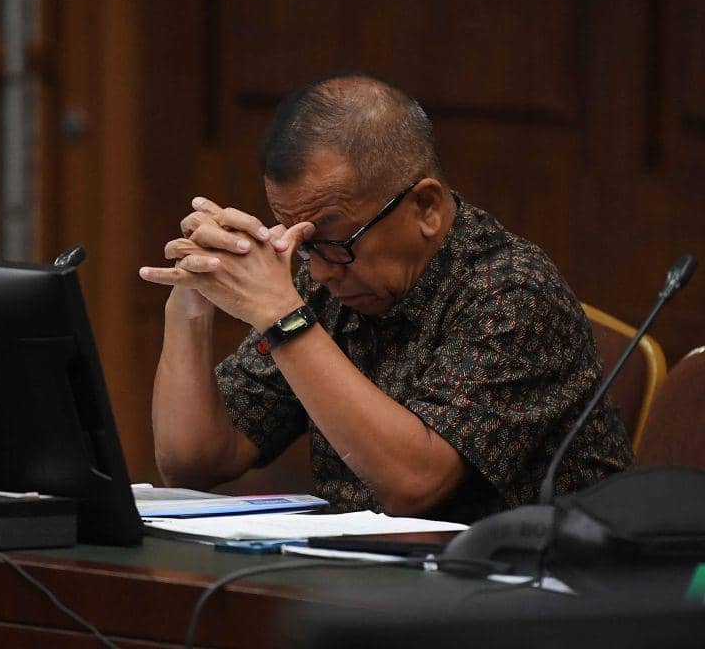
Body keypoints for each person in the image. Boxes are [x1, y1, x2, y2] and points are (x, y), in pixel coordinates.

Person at [139, 74, 632, 523]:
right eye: (301, 243)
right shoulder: (327, 282)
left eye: (335, 240)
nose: (319, 270)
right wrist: (193, 298)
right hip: (369, 574)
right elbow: (193, 464)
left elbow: (415, 484)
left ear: (426, 208)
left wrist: (284, 317)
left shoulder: (514, 291)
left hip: (528, 580)